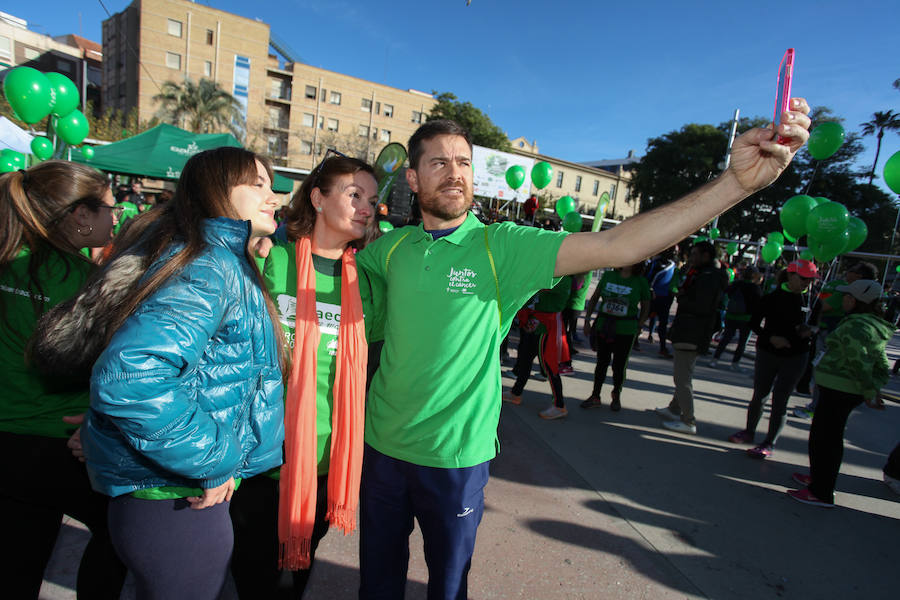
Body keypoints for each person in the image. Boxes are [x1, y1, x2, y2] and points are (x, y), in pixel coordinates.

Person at [355, 102, 810, 598]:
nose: (455, 172)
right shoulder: (388, 251)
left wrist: (736, 185)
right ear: (415, 180)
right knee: (376, 584)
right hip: (381, 448)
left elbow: (618, 245)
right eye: (438, 162)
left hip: (455, 457)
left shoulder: (500, 246)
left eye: (463, 162)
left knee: (446, 588)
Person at [31, 147, 288, 599]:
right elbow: (132, 376)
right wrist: (213, 459)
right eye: (258, 184)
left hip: (177, 495)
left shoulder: (219, 257)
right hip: (173, 495)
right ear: (216, 192)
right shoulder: (208, 265)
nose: (274, 195)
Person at [229, 153, 375, 597]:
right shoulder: (271, 261)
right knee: (253, 575)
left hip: (328, 465)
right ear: (317, 198)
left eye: (371, 199)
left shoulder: (368, 282)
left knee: (299, 574)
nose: (366, 207)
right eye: (354, 194)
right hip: (261, 461)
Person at [0, 162, 126, 599]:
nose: (118, 216)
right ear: (80, 216)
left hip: (9, 446)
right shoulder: (89, 283)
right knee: (124, 537)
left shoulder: (8, 266)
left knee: (17, 566)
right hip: (62, 445)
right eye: (111, 207)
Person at [787, 279, 892, 507]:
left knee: (826, 438)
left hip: (841, 390)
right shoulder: (867, 323)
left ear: (855, 300)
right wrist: (874, 386)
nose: (842, 299)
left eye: (846, 296)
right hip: (839, 388)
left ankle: (821, 491)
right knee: (825, 436)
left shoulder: (858, 326)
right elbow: (881, 362)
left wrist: (869, 390)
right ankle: (818, 478)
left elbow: (860, 362)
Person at [727, 260, 817, 458]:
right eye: (803, 278)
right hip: (768, 353)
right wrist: (771, 337)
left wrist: (811, 331)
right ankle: (749, 431)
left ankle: (769, 442)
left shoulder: (812, 301)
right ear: (791, 275)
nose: (807, 283)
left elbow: (820, 328)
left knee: (781, 400)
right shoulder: (772, 297)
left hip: (796, 357)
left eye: (810, 280)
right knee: (760, 394)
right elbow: (754, 323)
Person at [655, 242, 728, 434]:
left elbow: (701, 306)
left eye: (695, 254)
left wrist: (682, 297)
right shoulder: (705, 274)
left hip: (692, 331)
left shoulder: (708, 277)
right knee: (684, 374)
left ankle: (688, 420)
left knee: (682, 378)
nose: (691, 258)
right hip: (690, 329)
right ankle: (674, 408)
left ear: (706, 256)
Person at [794, 261, 878, 418]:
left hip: (838, 376)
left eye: (851, 269)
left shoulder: (855, 327)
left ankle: (815, 408)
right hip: (845, 387)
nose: (847, 272)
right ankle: (818, 407)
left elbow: (860, 362)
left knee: (821, 371)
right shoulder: (867, 323)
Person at [581, 263, 650, 411]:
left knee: (619, 365)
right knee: (601, 363)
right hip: (604, 325)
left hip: (626, 329)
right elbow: (594, 298)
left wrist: (640, 325)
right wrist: (587, 320)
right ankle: (595, 396)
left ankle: (616, 394)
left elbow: (646, 305)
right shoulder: (608, 276)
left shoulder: (641, 281)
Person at [502, 276, 573, 419]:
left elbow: (536, 285)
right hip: (535, 322)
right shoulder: (549, 273)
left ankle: (559, 405)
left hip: (548, 326)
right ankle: (516, 393)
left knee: (549, 366)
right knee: (525, 359)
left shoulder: (564, 278)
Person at [709, 266, 762, 371]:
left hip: (731, 315)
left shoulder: (736, 284)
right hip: (746, 318)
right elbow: (759, 304)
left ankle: (715, 359)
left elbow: (727, 293)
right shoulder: (755, 288)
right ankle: (735, 363)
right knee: (742, 342)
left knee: (725, 339)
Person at [645, 249, 676, 356]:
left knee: (662, 323)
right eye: (673, 250)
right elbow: (647, 279)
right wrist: (650, 290)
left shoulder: (672, 265)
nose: (674, 253)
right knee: (645, 317)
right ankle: (633, 340)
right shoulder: (655, 264)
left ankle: (662, 347)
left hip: (665, 298)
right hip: (654, 297)